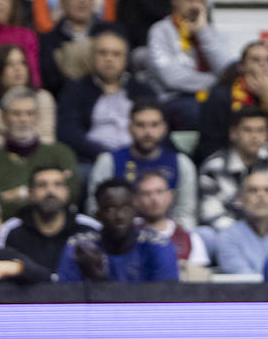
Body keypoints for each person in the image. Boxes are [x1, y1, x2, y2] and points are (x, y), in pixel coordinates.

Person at [88, 99, 197, 230]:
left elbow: (186, 213)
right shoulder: (109, 161)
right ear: (130, 128)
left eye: (154, 125)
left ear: (164, 128)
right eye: (140, 125)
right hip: (118, 236)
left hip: (167, 234)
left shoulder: (181, 163)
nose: (147, 132)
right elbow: (94, 210)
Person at [0, 87, 79, 219]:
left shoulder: (61, 154)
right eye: (16, 114)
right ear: (3, 117)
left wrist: (15, 195)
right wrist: (45, 196)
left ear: (37, 117)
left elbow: (72, 195)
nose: (23, 119)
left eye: (30, 113)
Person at [145, 0, 235, 131]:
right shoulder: (160, 31)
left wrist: (202, 32)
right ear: (175, 0)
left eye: (200, 0)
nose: (195, 6)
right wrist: (218, 80)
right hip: (176, 99)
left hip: (211, 97)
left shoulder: (212, 32)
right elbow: (172, 78)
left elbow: (228, 70)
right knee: (198, 112)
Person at [196, 39, 268, 163]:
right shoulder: (221, 95)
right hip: (227, 160)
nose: (263, 65)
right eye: (256, 60)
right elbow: (210, 144)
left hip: (263, 158)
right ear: (242, 66)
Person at [57, 31, 153, 165]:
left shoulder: (143, 91)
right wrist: (104, 155)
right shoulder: (76, 89)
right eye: (103, 53)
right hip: (93, 159)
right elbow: (68, 131)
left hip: (139, 157)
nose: (109, 59)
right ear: (92, 57)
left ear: (125, 60)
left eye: (116, 54)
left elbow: (156, 127)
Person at [57, 179, 179, 282]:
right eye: (110, 209)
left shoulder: (159, 245)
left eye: (125, 208)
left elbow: (166, 301)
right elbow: (65, 302)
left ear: (134, 211)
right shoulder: (80, 246)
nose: (119, 216)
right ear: (98, 214)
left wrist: (99, 279)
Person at [0, 164, 99, 275]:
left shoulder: (89, 228)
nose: (50, 191)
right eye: (42, 185)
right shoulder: (10, 230)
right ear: (31, 193)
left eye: (58, 185)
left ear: (67, 192)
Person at [0, 43, 55, 166]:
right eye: (10, 64)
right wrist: (25, 144)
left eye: (22, 63)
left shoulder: (42, 97)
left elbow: (47, 140)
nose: (18, 69)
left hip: (35, 163)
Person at [211, 170, 268, 274]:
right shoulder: (227, 236)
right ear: (240, 198)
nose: (261, 195)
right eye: (253, 190)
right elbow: (244, 279)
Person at [134, 170, 210, 280]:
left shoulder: (191, 239)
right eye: (146, 194)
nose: (154, 199)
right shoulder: (127, 236)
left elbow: (198, 282)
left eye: (159, 192)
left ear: (170, 196)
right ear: (136, 200)